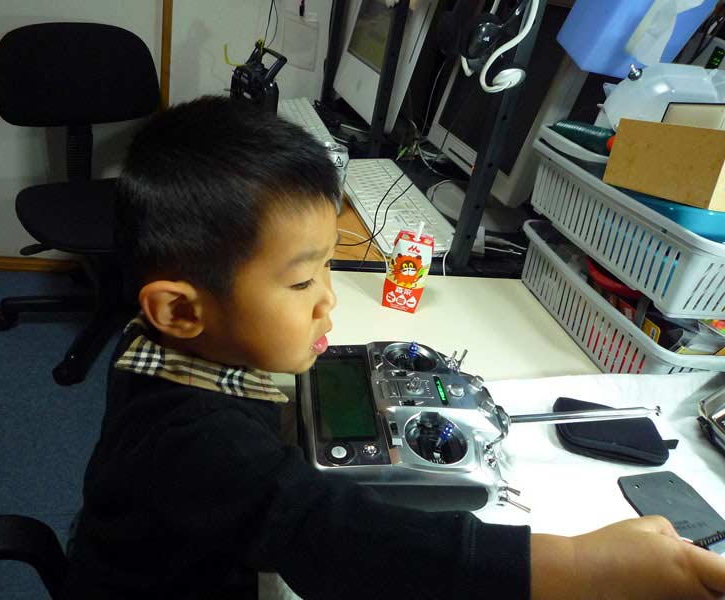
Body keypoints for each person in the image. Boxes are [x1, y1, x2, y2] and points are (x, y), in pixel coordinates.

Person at [61, 96, 725, 600]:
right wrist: (578, 568)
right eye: (301, 280)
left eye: (327, 267)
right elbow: (338, 543)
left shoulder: (160, 346)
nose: (328, 299)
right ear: (181, 310)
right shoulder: (196, 446)